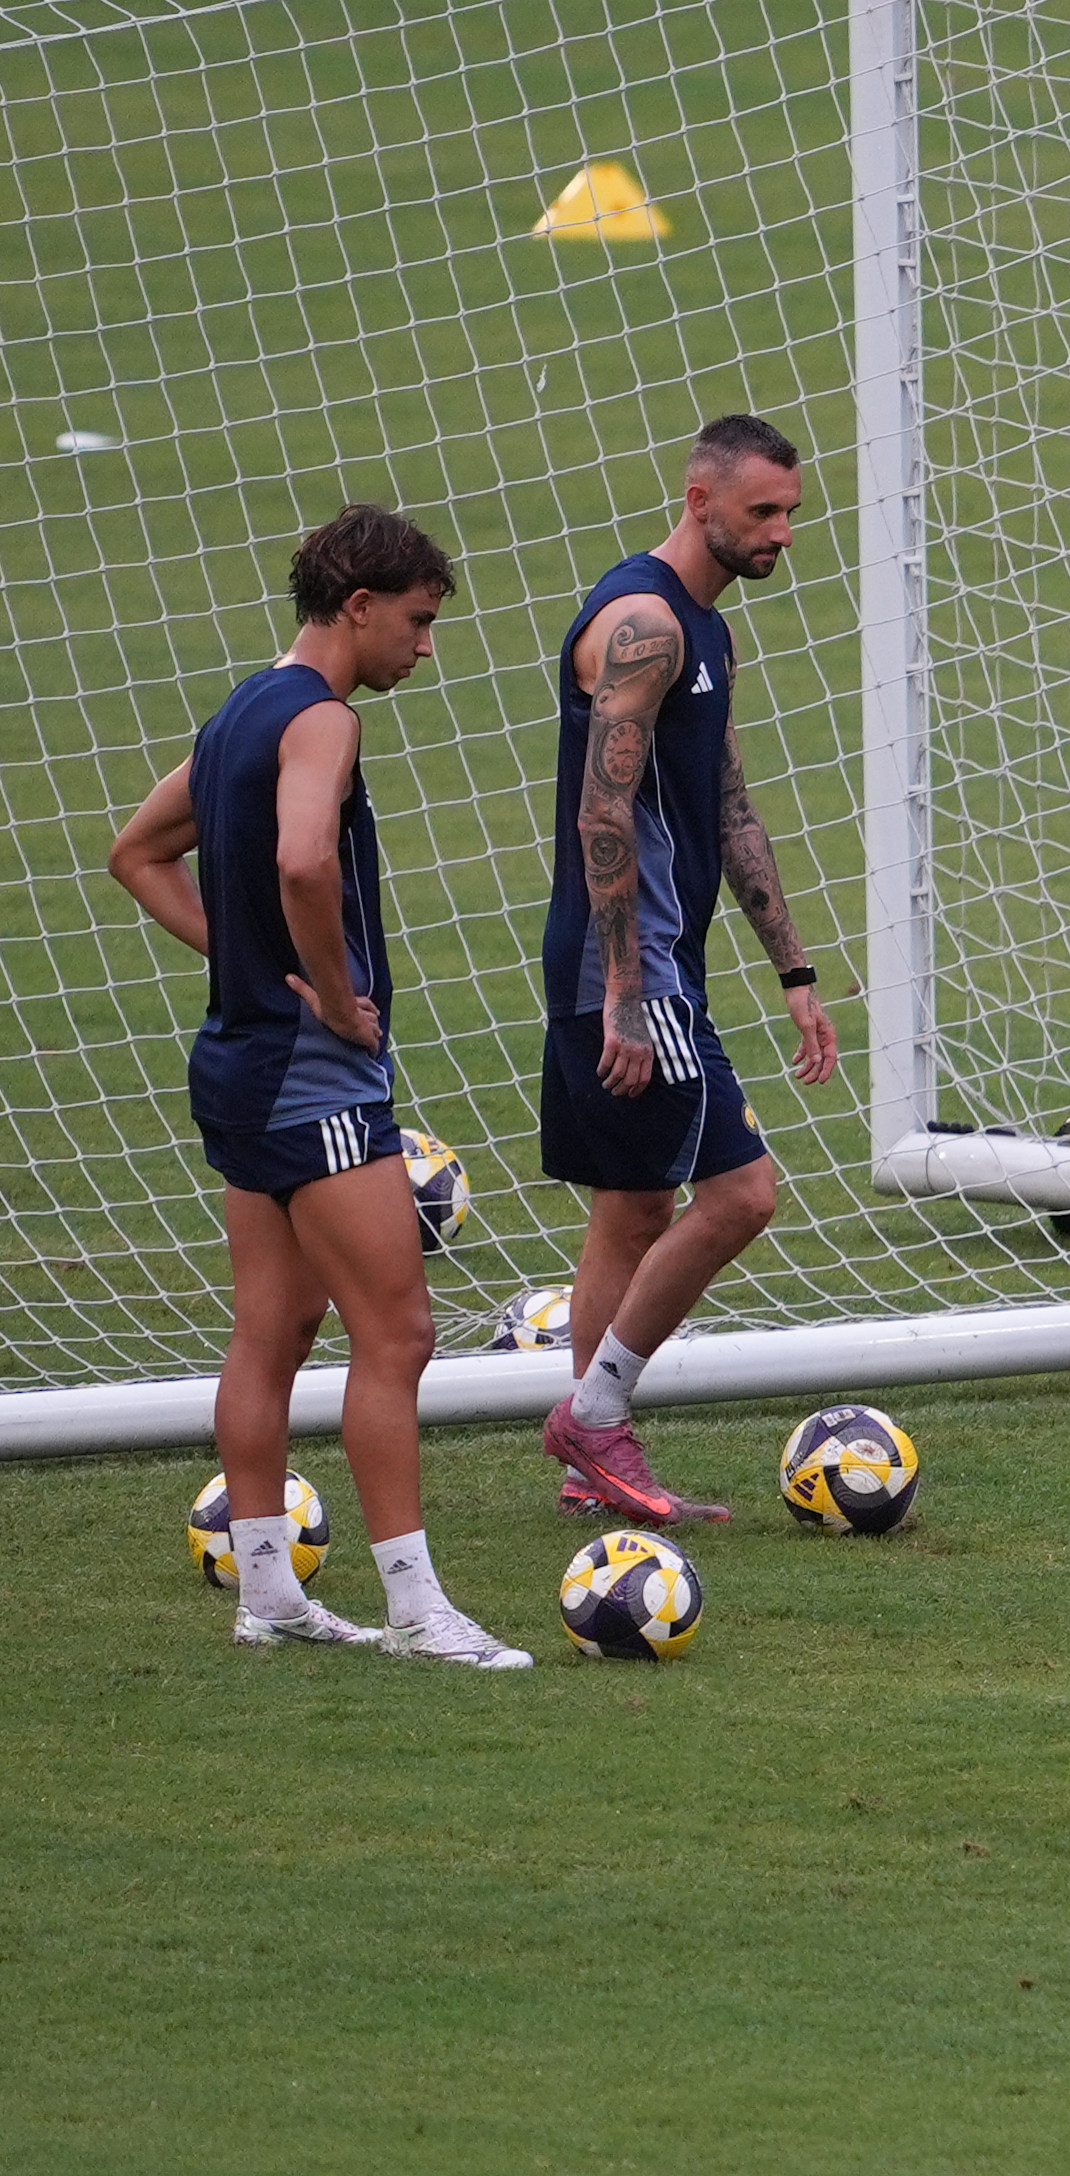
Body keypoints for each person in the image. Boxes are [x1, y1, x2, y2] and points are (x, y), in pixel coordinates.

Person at [105, 504, 532, 1668]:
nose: (425, 646)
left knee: (273, 1328)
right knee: (398, 1332)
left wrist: (243, 966)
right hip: (315, 1079)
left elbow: (134, 853)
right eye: (418, 621)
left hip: (236, 1062)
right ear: (358, 608)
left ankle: (270, 1597)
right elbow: (302, 859)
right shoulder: (322, 723)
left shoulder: (241, 704)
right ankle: (416, 1609)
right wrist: (338, 1000)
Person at [534, 413, 840, 1523]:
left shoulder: (706, 632)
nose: (782, 534)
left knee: (628, 1212)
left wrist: (794, 969)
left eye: (791, 513)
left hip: (652, 963)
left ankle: (588, 1462)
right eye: (762, 511)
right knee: (742, 1195)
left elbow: (727, 803)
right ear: (698, 499)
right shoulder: (643, 625)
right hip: (633, 968)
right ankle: (597, 1414)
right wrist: (626, 988)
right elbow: (601, 809)